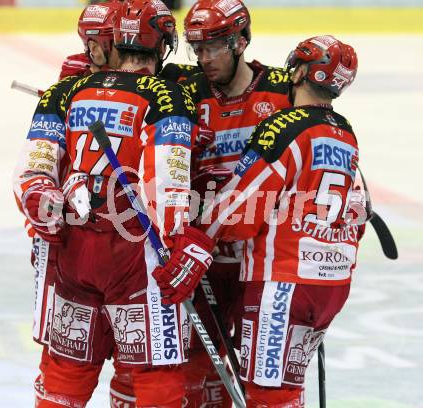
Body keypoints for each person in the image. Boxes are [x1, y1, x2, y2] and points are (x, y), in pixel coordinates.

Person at [13, 0, 215, 406]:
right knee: (155, 369)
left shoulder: (63, 90)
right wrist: (180, 244)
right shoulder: (166, 95)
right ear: (161, 44)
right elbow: (167, 185)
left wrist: (45, 205)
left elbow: (33, 175)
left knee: (65, 369)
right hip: (135, 256)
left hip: (72, 252)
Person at [200, 35, 363, 407]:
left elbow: (241, 209)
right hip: (331, 283)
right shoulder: (346, 132)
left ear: (302, 71)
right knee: (288, 389)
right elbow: (356, 211)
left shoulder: (283, 127)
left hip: (284, 284)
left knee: (267, 395)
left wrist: (197, 237)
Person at [179, 1, 292, 405]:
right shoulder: (185, 91)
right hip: (201, 254)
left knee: (261, 371)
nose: (204, 59)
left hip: (261, 258)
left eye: (214, 48)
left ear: (241, 41)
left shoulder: (282, 90)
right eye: (197, 49)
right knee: (195, 365)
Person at [12, 1, 121, 405]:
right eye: (88, 42)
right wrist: (39, 195)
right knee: (65, 366)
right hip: (71, 246)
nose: (94, 51)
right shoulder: (69, 82)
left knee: (139, 371)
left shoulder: (154, 86)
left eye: (102, 42)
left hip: (131, 249)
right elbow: (37, 159)